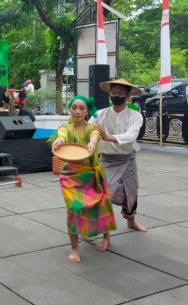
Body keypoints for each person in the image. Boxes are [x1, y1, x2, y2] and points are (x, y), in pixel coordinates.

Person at [52, 95, 117, 263]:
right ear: (70, 109)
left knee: (101, 207)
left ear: (87, 111)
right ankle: (74, 248)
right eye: (74, 107)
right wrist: (59, 141)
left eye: (82, 108)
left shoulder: (92, 128)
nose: (78, 111)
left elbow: (95, 136)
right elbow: (62, 135)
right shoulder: (66, 128)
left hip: (92, 173)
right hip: (71, 176)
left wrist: (93, 143)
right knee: (73, 209)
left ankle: (106, 237)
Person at [90, 78, 147, 232]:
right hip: (107, 161)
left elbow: (131, 136)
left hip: (127, 159)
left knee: (131, 192)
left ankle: (131, 221)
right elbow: (87, 130)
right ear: (109, 95)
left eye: (120, 93)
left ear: (127, 97)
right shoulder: (99, 114)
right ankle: (103, 231)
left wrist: (107, 136)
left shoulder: (136, 116)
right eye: (113, 92)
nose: (116, 95)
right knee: (104, 195)